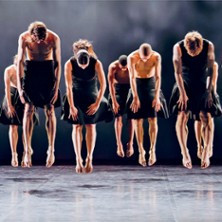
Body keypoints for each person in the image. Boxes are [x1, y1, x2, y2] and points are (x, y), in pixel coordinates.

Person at [169, 31, 221, 169]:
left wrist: (209, 92)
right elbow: (177, 72)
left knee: (206, 116)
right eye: (190, 51)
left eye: (196, 51)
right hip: (184, 81)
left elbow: (211, 70)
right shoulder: (178, 47)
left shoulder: (208, 45)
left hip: (202, 80)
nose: (193, 54)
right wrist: (182, 93)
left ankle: (206, 150)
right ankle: (184, 152)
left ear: (200, 46)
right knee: (182, 115)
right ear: (186, 46)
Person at [61, 39, 112, 174]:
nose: (83, 67)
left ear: (89, 59)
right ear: (76, 59)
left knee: (90, 125)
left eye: (85, 65)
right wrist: (71, 106)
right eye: (81, 65)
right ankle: (78, 159)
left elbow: (104, 85)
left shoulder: (96, 63)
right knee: (76, 126)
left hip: (91, 95)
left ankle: (89, 158)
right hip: (75, 95)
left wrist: (97, 103)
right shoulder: (69, 64)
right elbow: (68, 87)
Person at [16, 21, 61, 168]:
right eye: (38, 39)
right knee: (28, 110)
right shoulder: (24, 38)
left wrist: (56, 87)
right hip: (32, 72)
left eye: (43, 38)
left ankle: (51, 148)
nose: (41, 41)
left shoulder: (54, 38)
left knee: (50, 109)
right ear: (32, 35)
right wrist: (20, 88)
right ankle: (27, 149)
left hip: (47, 71)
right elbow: (20, 62)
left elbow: (58, 63)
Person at [127, 43, 169, 167]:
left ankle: (152, 150)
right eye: (142, 57)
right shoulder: (132, 57)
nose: (144, 59)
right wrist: (135, 97)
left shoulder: (156, 57)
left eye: (147, 57)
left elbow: (158, 76)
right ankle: (141, 151)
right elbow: (131, 77)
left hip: (151, 84)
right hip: (137, 84)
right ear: (139, 53)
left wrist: (156, 97)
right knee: (137, 120)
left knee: (153, 119)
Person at [0, 55, 38, 167]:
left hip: (26, 96)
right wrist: (10, 105)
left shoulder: (29, 70)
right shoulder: (9, 70)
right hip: (12, 95)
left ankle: (26, 153)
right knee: (13, 126)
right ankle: (14, 154)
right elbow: (6, 88)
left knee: (27, 127)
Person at [108, 55, 134, 158]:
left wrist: (136, 98)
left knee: (132, 118)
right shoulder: (113, 67)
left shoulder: (132, 66)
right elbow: (110, 85)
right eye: (122, 67)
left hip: (129, 89)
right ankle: (119, 144)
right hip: (117, 90)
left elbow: (135, 82)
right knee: (118, 118)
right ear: (119, 64)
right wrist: (114, 101)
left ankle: (130, 144)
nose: (124, 69)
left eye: (125, 67)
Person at [195, 62, 220, 159]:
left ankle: (208, 145)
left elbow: (214, 80)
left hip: (209, 92)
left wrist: (213, 95)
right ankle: (199, 146)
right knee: (198, 119)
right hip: (197, 91)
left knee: (209, 119)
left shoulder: (213, 64)